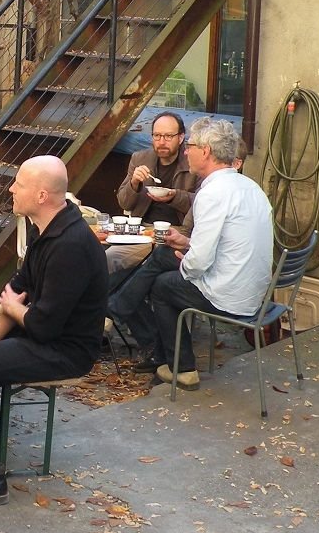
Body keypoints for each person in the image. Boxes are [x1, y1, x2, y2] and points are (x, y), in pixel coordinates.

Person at [0, 155, 107, 507]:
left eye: (19, 184)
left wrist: (12, 311)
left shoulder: (71, 245)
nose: (11, 188)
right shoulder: (48, 229)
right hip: (36, 332)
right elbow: (15, 291)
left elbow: (41, 324)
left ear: (41, 195)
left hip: (64, 350)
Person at [112, 118, 272, 391]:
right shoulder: (250, 188)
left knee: (162, 284)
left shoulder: (213, 192)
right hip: (253, 291)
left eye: (191, 146)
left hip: (228, 296)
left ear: (206, 151)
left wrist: (183, 261)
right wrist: (184, 243)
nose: (187, 152)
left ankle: (178, 365)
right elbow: (220, 244)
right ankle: (163, 356)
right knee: (163, 257)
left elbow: (198, 263)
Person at [110, 110, 199, 279]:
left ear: (180, 138)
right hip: (143, 230)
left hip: (178, 233)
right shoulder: (140, 158)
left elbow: (201, 203)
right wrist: (134, 184)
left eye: (168, 136)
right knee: (109, 258)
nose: (161, 142)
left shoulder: (193, 164)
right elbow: (124, 203)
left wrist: (174, 196)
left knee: (152, 270)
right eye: (157, 136)